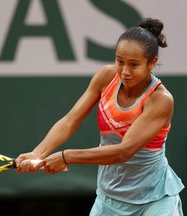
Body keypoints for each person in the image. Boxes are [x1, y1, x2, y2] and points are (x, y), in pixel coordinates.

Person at [15, 17, 185, 215]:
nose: (125, 71)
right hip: (109, 200)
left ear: (152, 63)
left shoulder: (160, 100)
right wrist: (38, 153)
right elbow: (71, 120)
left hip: (154, 201)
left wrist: (66, 156)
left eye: (134, 65)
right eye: (120, 61)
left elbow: (124, 151)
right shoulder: (106, 76)